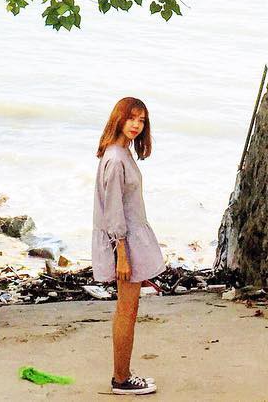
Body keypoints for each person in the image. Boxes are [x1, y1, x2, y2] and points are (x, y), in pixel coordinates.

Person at [92, 96, 165, 396]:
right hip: (124, 245)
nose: (136, 124)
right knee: (126, 310)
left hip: (130, 242)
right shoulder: (115, 159)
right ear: (118, 118)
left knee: (128, 310)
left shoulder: (121, 153)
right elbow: (113, 212)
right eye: (132, 118)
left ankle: (123, 375)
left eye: (142, 120)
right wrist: (122, 255)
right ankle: (121, 379)